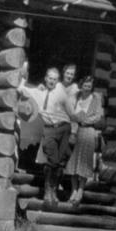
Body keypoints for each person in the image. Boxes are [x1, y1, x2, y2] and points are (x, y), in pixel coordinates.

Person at [18, 67, 75, 206]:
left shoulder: (61, 90)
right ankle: (47, 191)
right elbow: (21, 90)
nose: (52, 81)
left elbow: (72, 107)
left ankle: (53, 191)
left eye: (55, 79)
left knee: (61, 163)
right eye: (50, 78)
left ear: (58, 81)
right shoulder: (39, 92)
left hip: (64, 128)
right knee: (52, 161)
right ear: (45, 78)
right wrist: (24, 77)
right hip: (50, 129)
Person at [63, 75, 103, 207]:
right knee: (73, 162)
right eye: (85, 84)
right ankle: (73, 191)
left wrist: (84, 120)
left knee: (84, 163)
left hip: (88, 131)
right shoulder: (76, 96)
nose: (87, 87)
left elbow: (98, 116)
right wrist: (74, 121)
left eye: (90, 85)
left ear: (92, 87)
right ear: (82, 85)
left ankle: (80, 191)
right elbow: (70, 110)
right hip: (76, 130)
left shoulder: (96, 98)